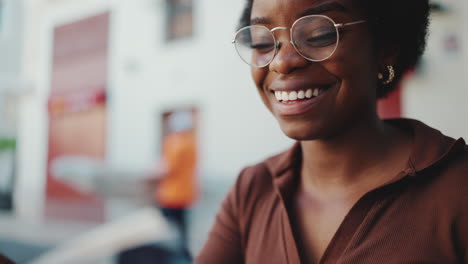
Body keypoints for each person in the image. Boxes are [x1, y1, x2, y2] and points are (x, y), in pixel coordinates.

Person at [197, 0, 468, 263]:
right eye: (262, 43)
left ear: (386, 46)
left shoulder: (456, 188)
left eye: (319, 35)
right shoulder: (253, 188)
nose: (282, 62)